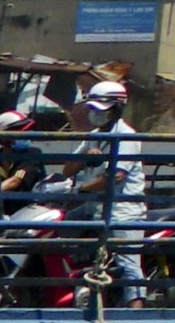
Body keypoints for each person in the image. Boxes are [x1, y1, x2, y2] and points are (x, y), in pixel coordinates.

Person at [60, 80, 148, 305]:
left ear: (116, 110)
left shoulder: (126, 136)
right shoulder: (94, 135)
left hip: (122, 211)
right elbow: (67, 168)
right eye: (92, 109)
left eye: (100, 110)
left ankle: (137, 312)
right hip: (94, 207)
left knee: (128, 264)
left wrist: (81, 190)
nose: (94, 115)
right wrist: (86, 158)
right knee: (58, 229)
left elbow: (116, 176)